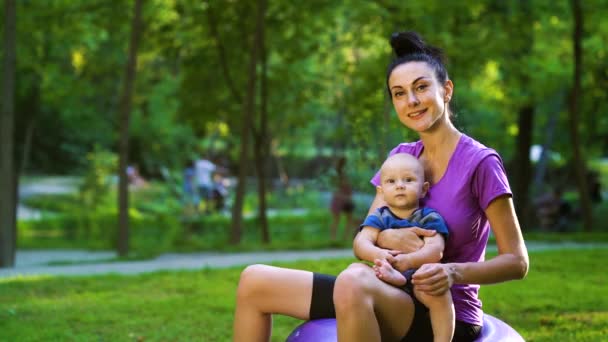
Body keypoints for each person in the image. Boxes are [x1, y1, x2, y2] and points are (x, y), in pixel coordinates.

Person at [233, 31, 528, 342]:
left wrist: (452, 272)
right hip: (388, 289)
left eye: (421, 87)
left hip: (445, 311)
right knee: (254, 281)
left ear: (447, 90)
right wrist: (387, 236)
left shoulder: (481, 163)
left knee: (353, 280)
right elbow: (364, 239)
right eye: (399, 93)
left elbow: (517, 262)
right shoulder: (400, 158)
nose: (411, 101)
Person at [360, 153, 453, 342]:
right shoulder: (379, 217)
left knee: (440, 294)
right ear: (382, 191)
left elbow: (436, 250)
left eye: (408, 180)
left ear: (423, 189)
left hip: (418, 277)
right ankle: (394, 280)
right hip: (386, 276)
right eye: (391, 181)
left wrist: (408, 261)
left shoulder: (429, 217)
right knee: (362, 275)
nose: (400, 185)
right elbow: (360, 243)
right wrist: (380, 254)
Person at [329, 156, 356, 240]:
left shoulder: (345, 174)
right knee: (337, 220)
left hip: (345, 200)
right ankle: (334, 238)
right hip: (340, 200)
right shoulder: (337, 176)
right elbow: (335, 189)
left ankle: (344, 238)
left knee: (348, 219)